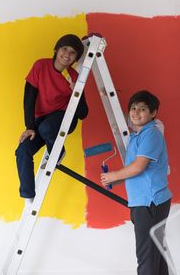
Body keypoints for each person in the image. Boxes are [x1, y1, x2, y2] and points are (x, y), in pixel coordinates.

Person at [101, 90, 172, 275]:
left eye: (142, 109)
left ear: (153, 113)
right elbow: (137, 169)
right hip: (145, 202)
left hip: (150, 203)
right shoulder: (137, 136)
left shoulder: (151, 134)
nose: (136, 112)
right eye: (133, 108)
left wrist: (114, 176)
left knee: (146, 260)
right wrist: (118, 179)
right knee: (155, 256)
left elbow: (138, 167)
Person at [16, 34, 88, 206]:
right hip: (40, 122)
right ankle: (28, 195)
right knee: (22, 150)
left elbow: (83, 113)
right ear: (56, 49)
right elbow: (29, 98)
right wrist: (29, 127)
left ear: (76, 58)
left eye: (73, 53)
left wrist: (74, 92)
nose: (67, 54)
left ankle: (58, 152)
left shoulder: (74, 76)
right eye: (64, 49)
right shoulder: (41, 65)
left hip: (64, 118)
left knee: (47, 128)